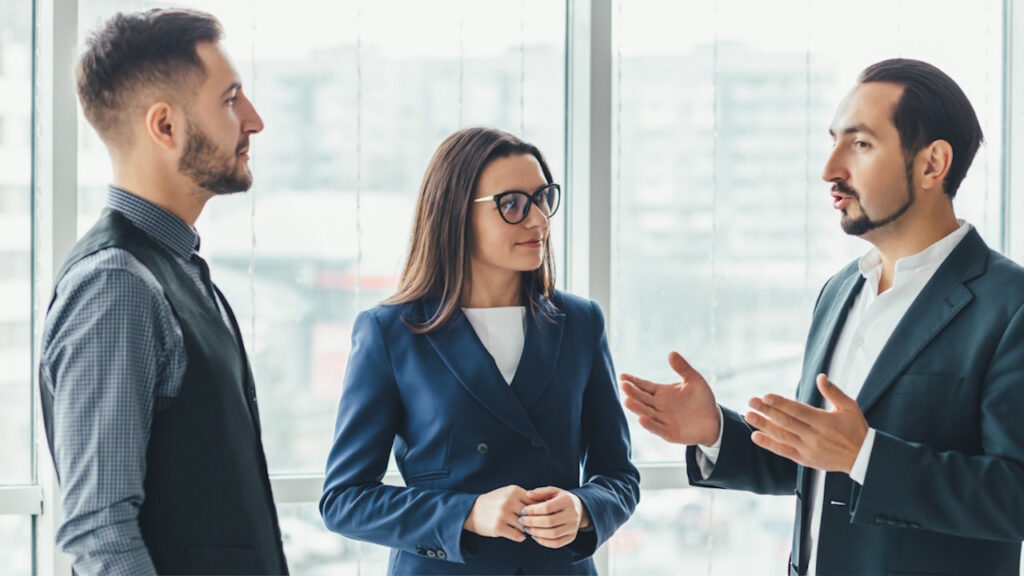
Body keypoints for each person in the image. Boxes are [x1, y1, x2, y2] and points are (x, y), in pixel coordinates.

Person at [621, 58, 1024, 576]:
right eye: (834, 140)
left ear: (932, 164)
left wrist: (867, 455)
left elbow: (1014, 494)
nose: (829, 168)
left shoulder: (1009, 304)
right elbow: (818, 462)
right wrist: (716, 430)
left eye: (860, 144)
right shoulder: (839, 290)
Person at [320, 127, 639, 574]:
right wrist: (467, 514)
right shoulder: (390, 332)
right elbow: (345, 500)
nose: (539, 220)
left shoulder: (582, 323)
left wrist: (584, 509)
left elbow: (619, 475)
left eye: (543, 198)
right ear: (456, 214)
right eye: (512, 204)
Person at [38, 9, 288, 575]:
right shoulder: (117, 285)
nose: (254, 120)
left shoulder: (175, 269)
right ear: (165, 126)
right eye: (231, 99)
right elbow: (100, 533)